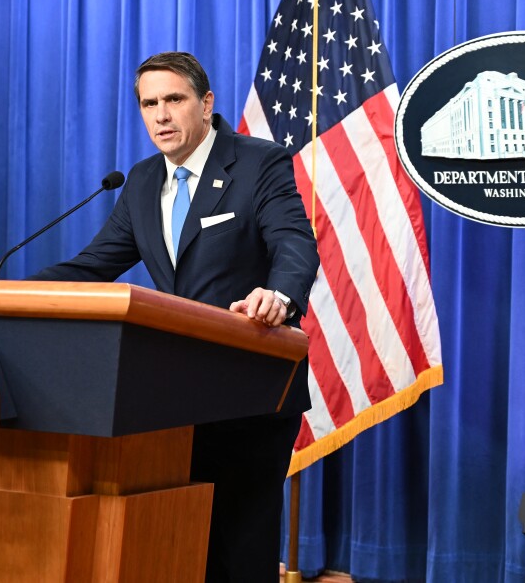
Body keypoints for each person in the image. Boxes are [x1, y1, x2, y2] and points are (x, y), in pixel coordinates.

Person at [29, 51, 319, 582]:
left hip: (250, 389)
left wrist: (279, 295)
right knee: (177, 544)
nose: (160, 115)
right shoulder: (141, 181)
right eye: (149, 103)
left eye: (174, 99)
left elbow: (294, 242)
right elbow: (94, 266)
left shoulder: (259, 162)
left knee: (238, 550)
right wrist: (8, 294)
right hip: (171, 398)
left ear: (206, 104)